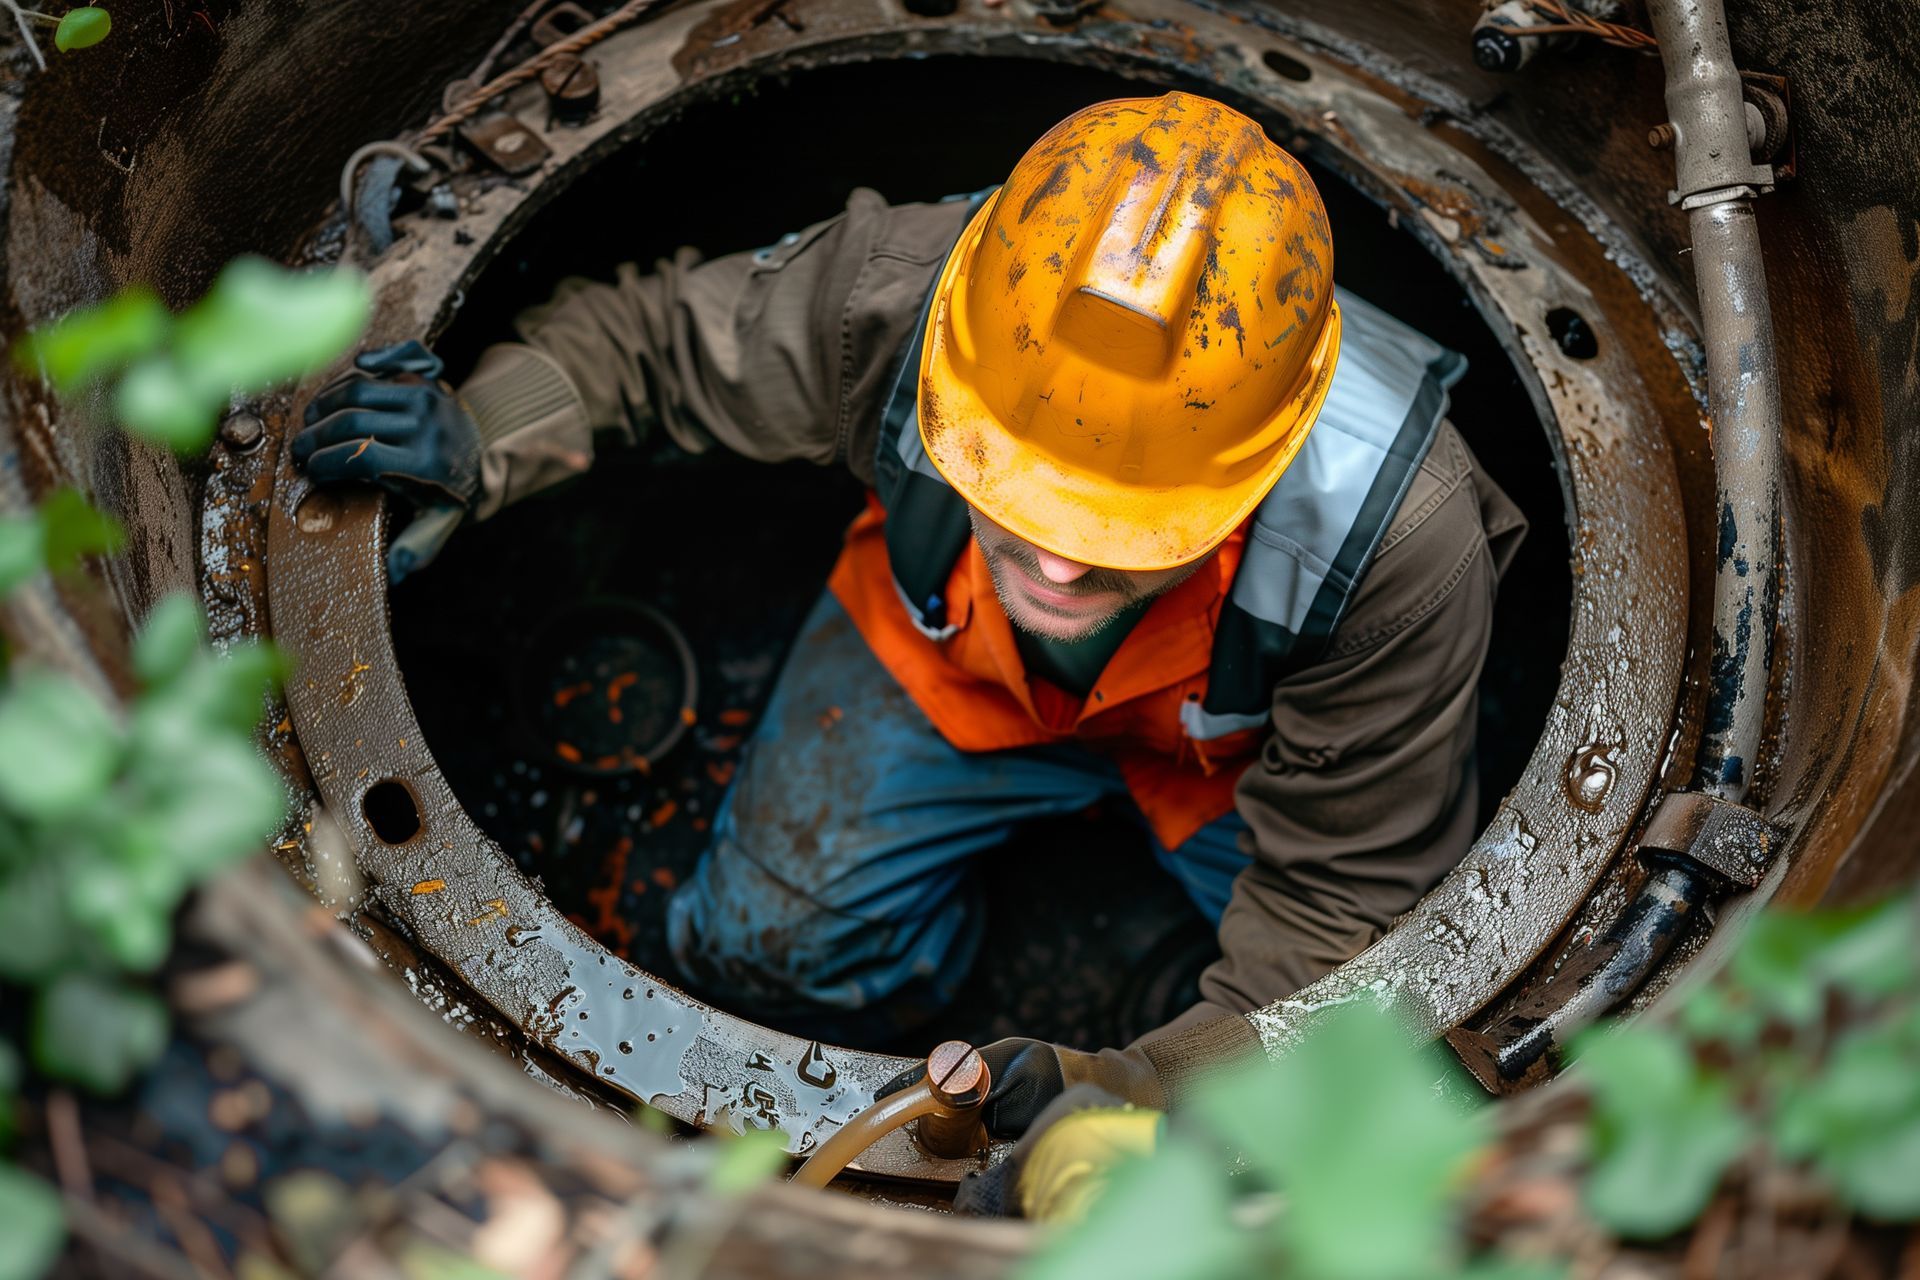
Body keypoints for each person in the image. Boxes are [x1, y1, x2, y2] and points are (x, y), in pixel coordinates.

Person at [295, 91, 1527, 1137]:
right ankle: (915, 961)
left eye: (1122, 531)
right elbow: (659, 347)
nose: (1053, 562)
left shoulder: (1397, 533)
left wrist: (1140, 1103)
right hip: (952, 658)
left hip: (1255, 766)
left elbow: (1343, 925)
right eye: (1017, 484)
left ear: (1262, 462)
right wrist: (484, 434)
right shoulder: (907, 301)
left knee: (1362, 1034)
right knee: (764, 944)